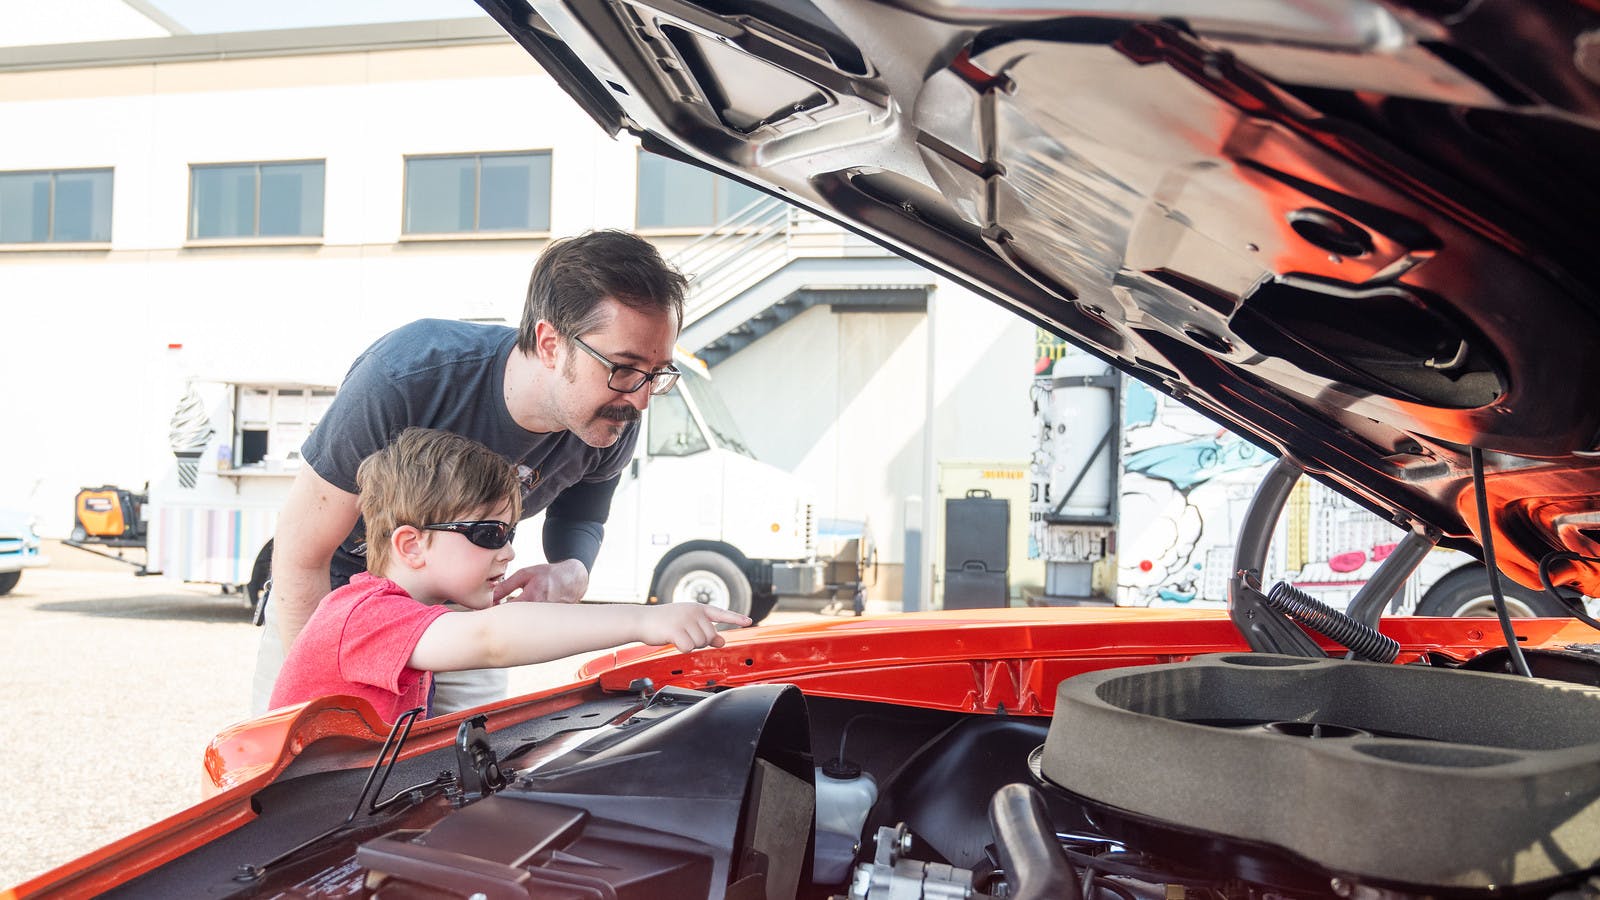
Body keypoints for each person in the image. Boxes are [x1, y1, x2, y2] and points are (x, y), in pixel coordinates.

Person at [253, 229, 694, 715]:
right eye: (624, 367)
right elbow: (302, 554)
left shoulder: (610, 416)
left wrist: (573, 566)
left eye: (657, 374)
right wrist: (326, 693)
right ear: (550, 344)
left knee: (458, 763)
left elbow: (581, 517)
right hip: (341, 599)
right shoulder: (408, 375)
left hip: (460, 591)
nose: (640, 398)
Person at [269, 427, 749, 723]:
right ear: (411, 545)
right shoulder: (365, 616)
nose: (510, 551)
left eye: (510, 530)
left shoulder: (403, 612)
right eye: (490, 533)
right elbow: (493, 639)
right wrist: (646, 622)